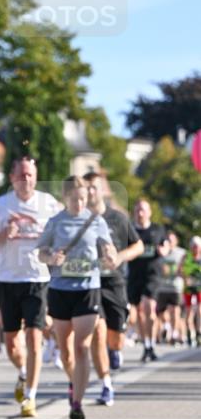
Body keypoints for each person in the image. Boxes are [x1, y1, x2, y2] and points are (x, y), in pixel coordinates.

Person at [0, 154, 60, 417]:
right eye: (21, 175)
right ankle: (23, 373)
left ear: (36, 178)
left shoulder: (49, 204)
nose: (26, 179)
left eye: (30, 175)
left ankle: (30, 396)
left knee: (34, 339)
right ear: (12, 177)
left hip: (37, 278)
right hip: (7, 279)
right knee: (12, 344)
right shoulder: (0, 206)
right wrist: (3, 235)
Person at [37, 176, 116, 419]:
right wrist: (51, 258)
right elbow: (41, 254)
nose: (80, 204)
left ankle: (77, 403)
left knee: (82, 347)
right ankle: (75, 381)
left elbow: (109, 249)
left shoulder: (96, 221)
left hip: (88, 289)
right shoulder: (55, 222)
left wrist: (111, 257)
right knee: (66, 353)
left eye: (83, 199)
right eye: (74, 199)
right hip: (60, 290)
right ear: (65, 198)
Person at [83, 171, 143, 401]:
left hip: (115, 282)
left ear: (103, 190)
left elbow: (138, 246)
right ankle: (106, 385)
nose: (90, 192)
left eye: (94, 187)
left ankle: (115, 349)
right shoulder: (78, 218)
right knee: (97, 332)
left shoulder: (118, 218)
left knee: (115, 336)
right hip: (90, 283)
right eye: (87, 187)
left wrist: (119, 257)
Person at [127, 199, 169, 362]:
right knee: (139, 312)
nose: (140, 213)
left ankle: (151, 343)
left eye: (143, 210)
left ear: (149, 212)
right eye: (137, 210)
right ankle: (146, 345)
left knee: (149, 307)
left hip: (152, 275)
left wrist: (164, 250)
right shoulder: (130, 230)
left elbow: (166, 245)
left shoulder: (157, 229)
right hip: (135, 275)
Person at [156, 231, 186, 345]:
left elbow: (186, 267)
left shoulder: (181, 253)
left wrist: (183, 272)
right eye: (168, 239)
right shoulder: (161, 251)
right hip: (162, 287)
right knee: (161, 313)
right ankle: (167, 326)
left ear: (176, 241)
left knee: (175, 310)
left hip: (175, 287)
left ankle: (174, 333)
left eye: (172, 240)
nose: (170, 242)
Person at [182, 236, 201, 347]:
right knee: (188, 312)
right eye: (193, 246)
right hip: (188, 288)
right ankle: (190, 334)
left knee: (199, 310)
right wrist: (185, 279)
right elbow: (179, 270)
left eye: (197, 246)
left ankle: (199, 333)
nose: (195, 248)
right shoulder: (186, 257)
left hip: (199, 287)